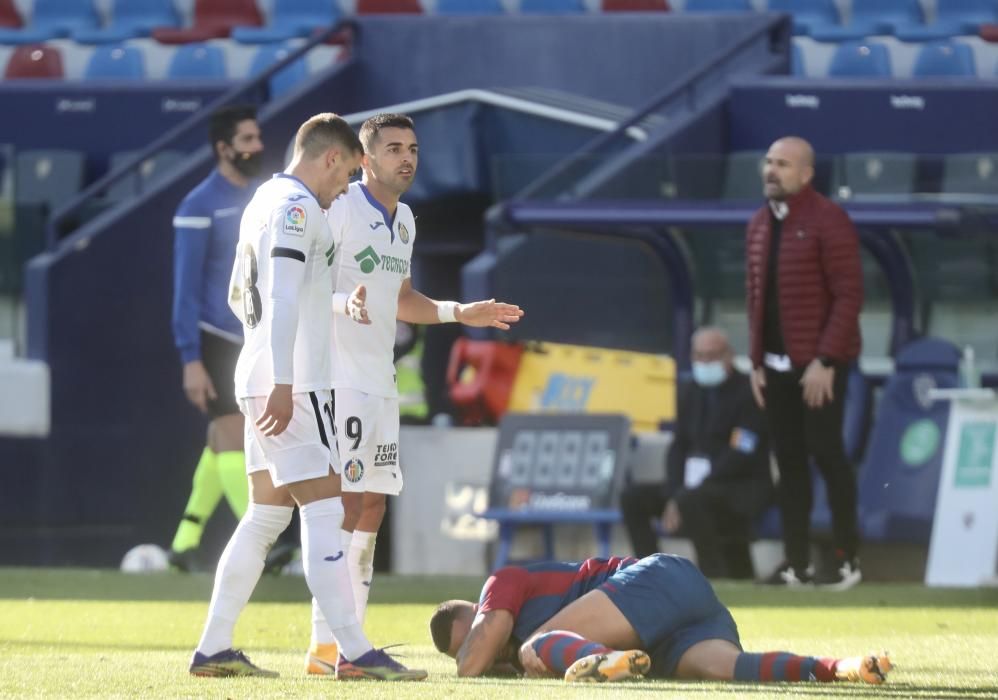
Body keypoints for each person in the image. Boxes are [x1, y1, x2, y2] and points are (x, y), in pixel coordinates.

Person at [187, 112, 425, 681]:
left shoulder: (261, 201)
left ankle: (214, 646)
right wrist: (288, 384)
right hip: (290, 384)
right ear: (333, 159)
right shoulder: (298, 208)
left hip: (258, 376)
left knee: (265, 518)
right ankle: (355, 653)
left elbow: (240, 294)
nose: (343, 190)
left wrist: (337, 308)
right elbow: (287, 298)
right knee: (324, 511)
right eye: (344, 177)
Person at [304, 112, 524, 674]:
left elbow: (402, 298)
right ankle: (332, 646)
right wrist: (340, 304)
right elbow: (307, 284)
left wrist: (459, 311)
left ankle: (344, 646)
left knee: (372, 504)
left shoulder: (403, 221)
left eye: (414, 148)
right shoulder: (339, 209)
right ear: (365, 156)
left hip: (379, 380)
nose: (407, 157)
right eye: (394, 147)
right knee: (346, 506)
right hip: (339, 379)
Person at [429, 554, 892, 685]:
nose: (484, 651)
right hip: (671, 623)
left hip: (654, 581)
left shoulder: (500, 583)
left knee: (536, 644)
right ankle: (840, 668)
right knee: (728, 668)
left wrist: (479, 654)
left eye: (474, 637)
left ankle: (606, 661)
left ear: (478, 611)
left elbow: (472, 661)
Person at [745, 136, 864, 589]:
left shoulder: (829, 220)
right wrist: (756, 361)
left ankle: (845, 557)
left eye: (784, 164)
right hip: (773, 367)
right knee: (789, 462)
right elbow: (755, 298)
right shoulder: (758, 223)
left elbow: (849, 295)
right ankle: (797, 564)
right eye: (769, 162)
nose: (772, 171)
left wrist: (827, 360)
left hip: (819, 367)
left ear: (807, 174)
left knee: (828, 456)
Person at [169, 105, 264, 571]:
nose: (257, 147)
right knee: (233, 432)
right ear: (223, 148)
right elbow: (185, 288)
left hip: (253, 334)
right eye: (247, 140)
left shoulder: (265, 198)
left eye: (256, 138)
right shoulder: (198, 205)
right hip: (214, 337)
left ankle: (184, 542)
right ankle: (261, 539)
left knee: (219, 438)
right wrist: (191, 357)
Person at [620, 327, 771, 579]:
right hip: (692, 487)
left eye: (711, 356)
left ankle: (712, 576)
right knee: (633, 497)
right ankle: (651, 575)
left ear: (729, 355)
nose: (704, 362)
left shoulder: (748, 392)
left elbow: (742, 453)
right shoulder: (691, 391)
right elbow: (679, 446)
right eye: (699, 356)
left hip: (739, 485)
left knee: (693, 501)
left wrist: (685, 494)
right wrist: (674, 493)